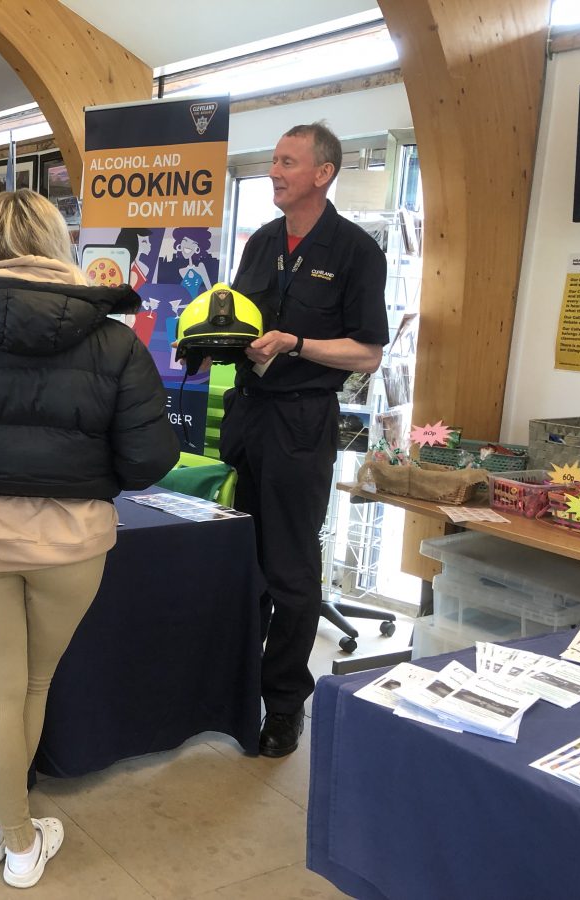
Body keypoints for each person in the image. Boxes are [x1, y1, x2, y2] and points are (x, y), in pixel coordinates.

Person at [0, 189, 178, 889]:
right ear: (59, 243)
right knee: (34, 682)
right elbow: (148, 460)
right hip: (75, 542)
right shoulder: (114, 339)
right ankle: (16, 836)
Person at [218, 122, 389, 758]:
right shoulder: (261, 243)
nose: (275, 172)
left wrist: (296, 343)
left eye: (288, 163)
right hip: (248, 416)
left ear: (323, 173)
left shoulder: (355, 252)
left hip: (300, 422)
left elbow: (367, 353)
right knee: (242, 561)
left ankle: (284, 704)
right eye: (273, 164)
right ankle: (233, 691)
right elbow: (238, 318)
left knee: (290, 570)